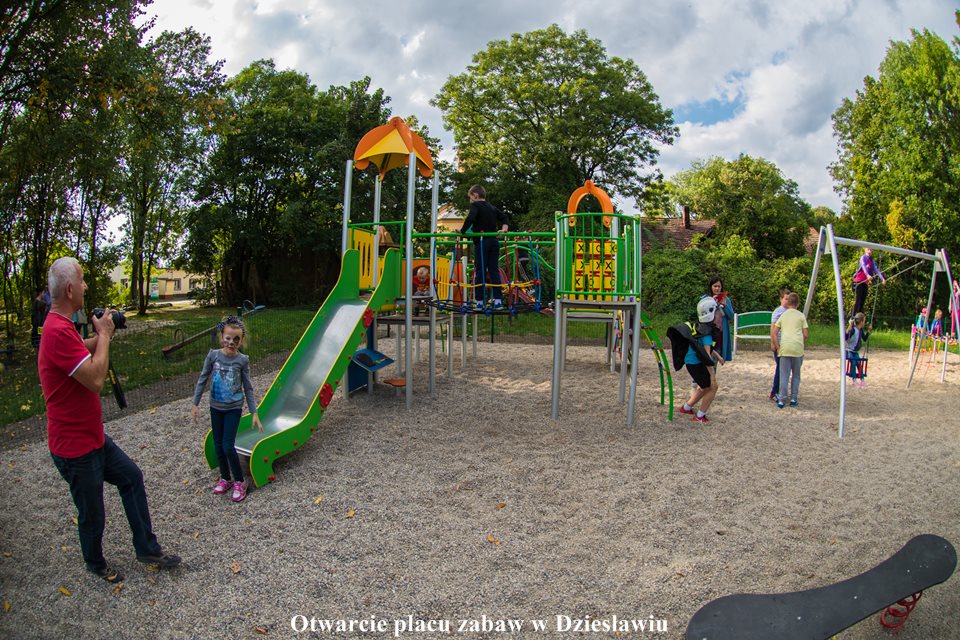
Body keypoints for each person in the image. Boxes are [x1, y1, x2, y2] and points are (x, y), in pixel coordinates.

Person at [40, 257, 180, 584]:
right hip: (74, 448)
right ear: (71, 289)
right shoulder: (57, 330)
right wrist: (102, 335)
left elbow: (82, 349)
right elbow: (95, 379)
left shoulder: (62, 326)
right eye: (82, 280)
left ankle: (147, 548)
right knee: (93, 514)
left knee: (131, 477)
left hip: (92, 438)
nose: (86, 286)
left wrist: (106, 334)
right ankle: (95, 562)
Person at [191, 316, 262, 502]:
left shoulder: (242, 360)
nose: (231, 342)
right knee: (218, 445)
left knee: (228, 446)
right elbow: (203, 378)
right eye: (228, 338)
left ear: (241, 340)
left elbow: (248, 387)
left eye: (236, 339)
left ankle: (240, 481)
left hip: (233, 409)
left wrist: (254, 412)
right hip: (216, 407)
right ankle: (225, 478)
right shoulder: (213, 356)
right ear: (221, 337)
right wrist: (195, 403)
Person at [459, 185, 509, 310]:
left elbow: (470, 218)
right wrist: (504, 229)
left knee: (480, 270)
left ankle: (480, 301)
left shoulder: (476, 206)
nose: (470, 200)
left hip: (482, 242)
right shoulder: (492, 207)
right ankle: (498, 301)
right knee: (494, 270)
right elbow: (504, 217)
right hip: (494, 242)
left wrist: (462, 231)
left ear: (475, 195)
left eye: (470, 197)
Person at [677, 297, 724, 424]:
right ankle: (700, 416)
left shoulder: (701, 327)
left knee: (704, 386)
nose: (719, 315)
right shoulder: (707, 333)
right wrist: (712, 376)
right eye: (716, 312)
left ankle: (686, 408)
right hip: (696, 363)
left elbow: (704, 347)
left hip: (691, 362)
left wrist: (718, 356)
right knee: (712, 387)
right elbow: (706, 357)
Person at [771, 292, 809, 408]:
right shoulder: (801, 316)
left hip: (785, 347)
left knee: (784, 374)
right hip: (797, 348)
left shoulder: (783, 315)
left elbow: (774, 332)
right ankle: (793, 398)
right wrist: (799, 341)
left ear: (788, 303)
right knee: (796, 375)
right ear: (798, 304)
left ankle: (782, 399)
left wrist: (777, 346)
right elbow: (806, 334)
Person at [701, 276, 735, 362]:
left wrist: (725, 305)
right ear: (711, 287)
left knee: (714, 359)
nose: (717, 288)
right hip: (707, 332)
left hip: (719, 334)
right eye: (715, 286)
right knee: (706, 357)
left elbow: (731, 316)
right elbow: (700, 314)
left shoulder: (725, 299)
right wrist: (711, 302)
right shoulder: (705, 299)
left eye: (719, 286)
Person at [769, 288, 791, 401]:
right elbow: (773, 328)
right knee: (780, 367)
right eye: (786, 299)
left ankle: (781, 390)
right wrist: (773, 342)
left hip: (788, 342)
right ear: (781, 299)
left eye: (789, 299)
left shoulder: (791, 311)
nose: (787, 301)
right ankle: (775, 391)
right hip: (779, 342)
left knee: (785, 368)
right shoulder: (778, 311)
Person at [851, 247, 885, 315]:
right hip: (858, 281)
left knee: (863, 301)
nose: (869, 251)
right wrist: (867, 275)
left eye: (871, 250)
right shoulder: (863, 258)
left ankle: (859, 318)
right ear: (865, 250)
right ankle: (852, 316)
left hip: (865, 282)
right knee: (858, 300)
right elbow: (863, 266)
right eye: (868, 249)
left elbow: (876, 269)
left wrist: (882, 278)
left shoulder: (871, 260)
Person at [845, 312, 871, 386]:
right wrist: (849, 327)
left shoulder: (861, 330)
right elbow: (846, 337)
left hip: (855, 351)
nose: (865, 323)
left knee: (859, 364)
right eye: (864, 321)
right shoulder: (853, 330)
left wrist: (869, 331)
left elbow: (865, 339)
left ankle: (862, 380)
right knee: (853, 363)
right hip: (849, 351)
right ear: (861, 322)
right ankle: (854, 380)